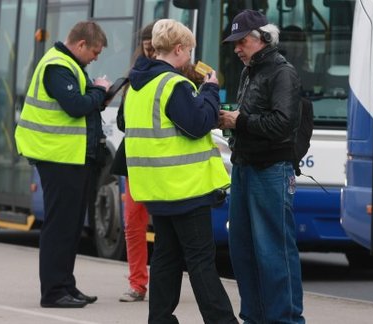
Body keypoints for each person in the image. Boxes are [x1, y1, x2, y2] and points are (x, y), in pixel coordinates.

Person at [124, 19, 238, 324]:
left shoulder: (137, 86)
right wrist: (210, 90)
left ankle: (159, 319)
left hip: (156, 189)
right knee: (201, 261)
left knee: (166, 257)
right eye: (188, 52)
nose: (190, 58)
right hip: (185, 188)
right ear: (178, 49)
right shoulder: (173, 85)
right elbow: (197, 124)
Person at [14, 21, 111, 309]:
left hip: (71, 157)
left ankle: (66, 285)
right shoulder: (57, 66)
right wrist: (100, 91)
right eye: (94, 52)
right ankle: (54, 292)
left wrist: (95, 94)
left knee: (70, 227)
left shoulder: (70, 66)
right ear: (81, 44)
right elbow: (76, 105)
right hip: (57, 157)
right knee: (59, 227)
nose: (95, 58)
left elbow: (80, 104)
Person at [220, 9, 305, 323]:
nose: (237, 49)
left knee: (274, 251)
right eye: (235, 42)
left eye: (242, 41)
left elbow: (283, 124)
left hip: (271, 169)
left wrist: (239, 120)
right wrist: (232, 121)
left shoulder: (283, 73)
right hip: (245, 167)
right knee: (243, 251)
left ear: (265, 38)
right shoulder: (250, 71)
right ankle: (254, 318)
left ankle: (286, 320)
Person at [110, 22, 156, 303]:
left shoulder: (180, 73)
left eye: (154, 46)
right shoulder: (134, 77)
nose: (150, 51)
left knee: (163, 225)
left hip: (163, 160)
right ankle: (138, 283)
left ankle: (160, 280)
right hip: (136, 159)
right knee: (133, 223)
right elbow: (122, 121)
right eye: (147, 46)